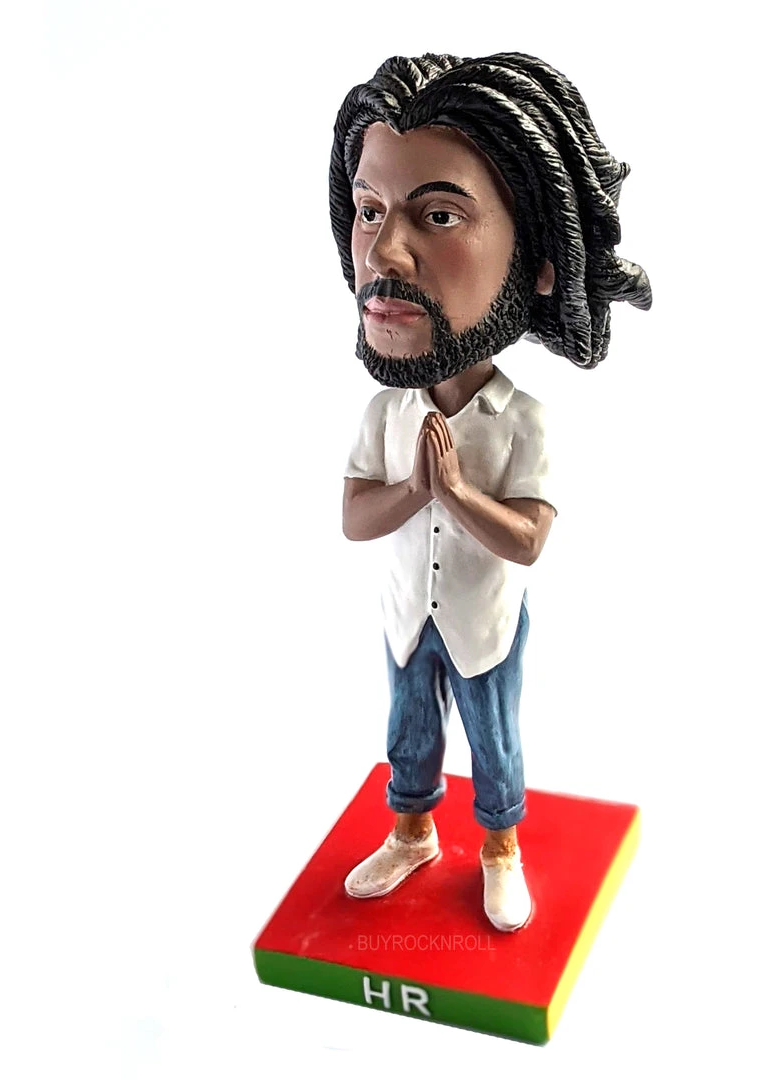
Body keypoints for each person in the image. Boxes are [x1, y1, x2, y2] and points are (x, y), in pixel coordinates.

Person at [332, 53, 650, 931]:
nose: (383, 253)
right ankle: (412, 831)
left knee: (494, 736)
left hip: (484, 622)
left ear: (538, 260)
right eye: (369, 210)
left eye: (438, 215)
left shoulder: (523, 422)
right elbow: (355, 517)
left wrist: (458, 492)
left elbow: (528, 541)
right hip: (407, 614)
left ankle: (501, 847)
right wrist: (416, 489)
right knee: (408, 732)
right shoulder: (386, 413)